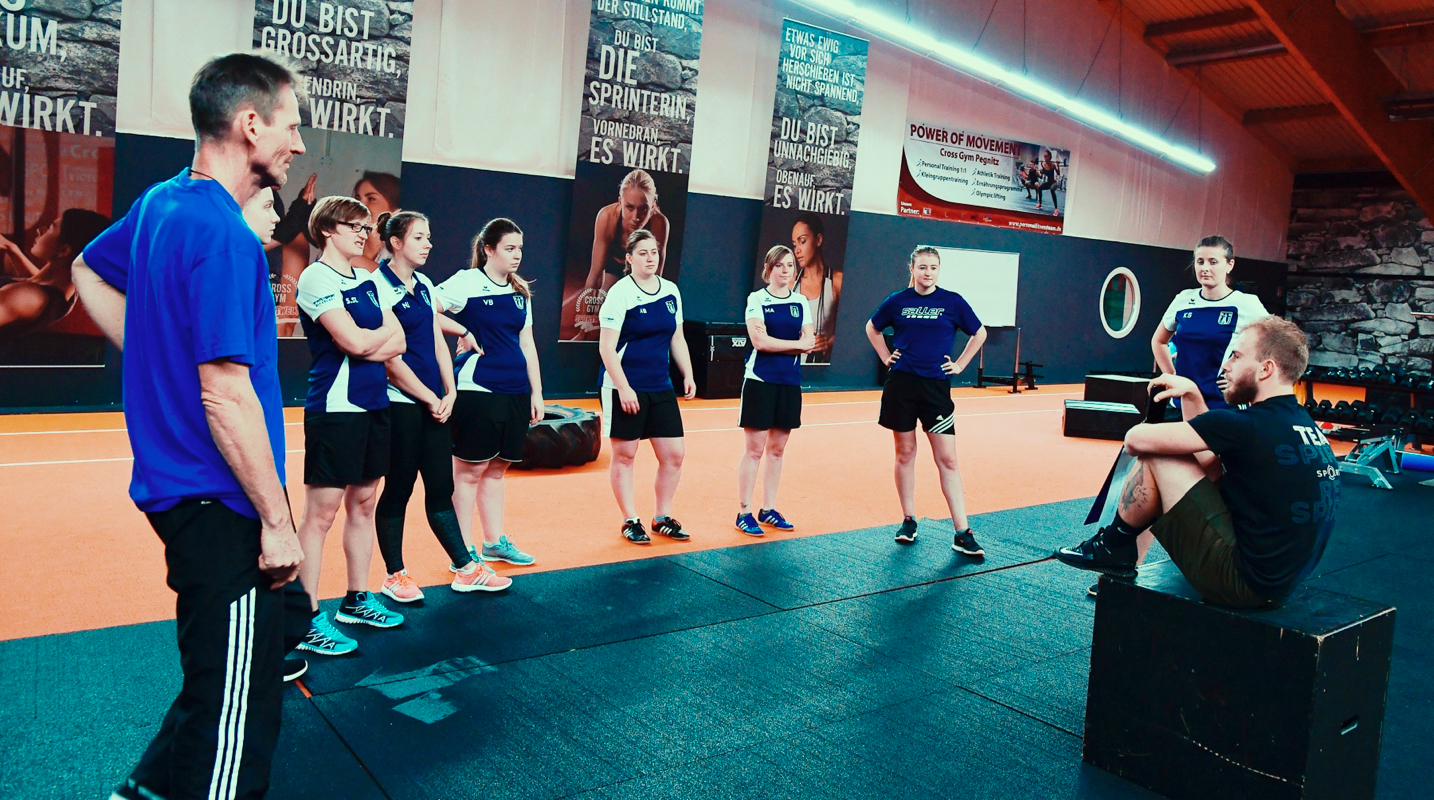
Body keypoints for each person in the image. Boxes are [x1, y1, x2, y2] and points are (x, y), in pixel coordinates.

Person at [73, 52, 305, 800]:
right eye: (290, 126)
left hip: (184, 495)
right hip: (224, 501)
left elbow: (85, 269)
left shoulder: (160, 204)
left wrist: (151, 351)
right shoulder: (225, 236)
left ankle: (142, 790)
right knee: (236, 720)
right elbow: (226, 397)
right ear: (249, 125)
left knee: (218, 680)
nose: (298, 144)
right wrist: (276, 521)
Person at [1054, 317, 1338, 608]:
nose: (1226, 365)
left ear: (1266, 369)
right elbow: (1211, 467)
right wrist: (1191, 392)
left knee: (1158, 454)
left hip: (1240, 584)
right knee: (1187, 457)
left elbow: (1135, 440)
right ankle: (1116, 547)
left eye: (1237, 356)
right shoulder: (1302, 424)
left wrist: (1153, 416)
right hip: (1277, 586)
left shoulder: (1246, 425)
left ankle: (1112, 546)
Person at [1085, 235, 1269, 600]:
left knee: (1221, 487)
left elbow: (1269, 352)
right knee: (1154, 481)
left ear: (1230, 265)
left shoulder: (1248, 306)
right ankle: (1124, 565)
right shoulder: (1183, 301)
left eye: (1214, 262)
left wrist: (1240, 381)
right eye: (1200, 261)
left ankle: (1224, 566)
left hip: (1223, 410)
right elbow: (1158, 341)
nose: (1205, 268)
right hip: (1182, 407)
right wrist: (1172, 378)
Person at [370, 211, 513, 599]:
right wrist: (430, 396)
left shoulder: (424, 285)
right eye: (419, 237)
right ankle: (394, 574)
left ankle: (465, 568)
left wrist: (450, 391)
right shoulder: (376, 288)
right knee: (398, 488)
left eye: (429, 236)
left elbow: (435, 337)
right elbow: (389, 360)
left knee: (440, 486)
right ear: (396, 242)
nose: (429, 243)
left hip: (435, 403)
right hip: (400, 403)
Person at [293, 195, 408, 657]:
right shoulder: (314, 278)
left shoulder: (365, 278)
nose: (364, 233)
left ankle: (357, 599)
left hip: (373, 404)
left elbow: (394, 339)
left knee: (364, 503)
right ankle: (304, 616)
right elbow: (354, 343)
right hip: (335, 407)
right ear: (327, 230)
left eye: (366, 227)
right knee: (320, 515)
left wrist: (369, 343)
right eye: (354, 226)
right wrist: (369, 343)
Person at [435, 218, 544, 569]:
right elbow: (420, 308)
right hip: (477, 388)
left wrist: (536, 392)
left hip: (515, 390)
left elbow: (526, 342)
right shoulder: (466, 282)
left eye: (520, 248)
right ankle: (462, 552)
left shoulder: (519, 291)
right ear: (488, 250)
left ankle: (494, 543)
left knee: (497, 469)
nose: (517, 255)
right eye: (510, 248)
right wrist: (461, 330)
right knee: (469, 472)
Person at [865, 246, 988, 555]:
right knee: (905, 453)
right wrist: (885, 357)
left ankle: (962, 531)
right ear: (912, 269)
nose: (928, 272)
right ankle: (908, 520)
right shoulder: (897, 301)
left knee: (948, 460)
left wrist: (959, 364)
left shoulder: (952, 302)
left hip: (935, 390)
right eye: (922, 267)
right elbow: (872, 327)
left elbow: (980, 333)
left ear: (938, 269)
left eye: (933, 267)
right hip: (901, 386)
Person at [598, 228, 697, 545]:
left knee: (674, 455)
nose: (650, 258)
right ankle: (629, 520)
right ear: (629, 258)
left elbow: (676, 337)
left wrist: (688, 373)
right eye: (642, 253)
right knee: (625, 455)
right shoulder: (620, 293)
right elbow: (606, 348)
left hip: (660, 386)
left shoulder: (670, 291)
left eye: (654, 252)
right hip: (625, 385)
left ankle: (662, 517)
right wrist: (624, 388)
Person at [735, 245, 814, 536]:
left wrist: (790, 343)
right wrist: (794, 345)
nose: (785, 270)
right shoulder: (757, 299)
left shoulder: (801, 301)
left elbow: (810, 337)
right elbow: (760, 342)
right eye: (779, 265)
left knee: (777, 451)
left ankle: (767, 509)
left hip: (789, 382)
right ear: (769, 269)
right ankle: (744, 511)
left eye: (790, 265)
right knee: (754, 451)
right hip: (760, 381)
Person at [573, 168, 669, 339]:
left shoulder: (659, 223)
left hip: (637, 272)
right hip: (612, 266)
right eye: (629, 207)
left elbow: (653, 278)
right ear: (620, 201)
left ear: (653, 205)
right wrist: (583, 331)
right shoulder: (607, 217)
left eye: (643, 209)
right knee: (603, 308)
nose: (636, 217)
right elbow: (595, 275)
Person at [0, 209, 112, 336]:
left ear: (63, 250)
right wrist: (12, 249)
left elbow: (26, 293)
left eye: (50, 228)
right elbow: (36, 280)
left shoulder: (28, 297)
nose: (40, 231)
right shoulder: (64, 292)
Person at [792, 212, 841, 364]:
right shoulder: (790, 286)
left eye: (803, 241)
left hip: (821, 369)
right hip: (791, 364)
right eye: (794, 244)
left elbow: (853, 328)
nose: (797, 250)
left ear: (818, 239)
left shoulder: (837, 281)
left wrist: (828, 343)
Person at [353, 170, 401, 270]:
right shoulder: (342, 244)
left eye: (371, 199)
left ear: (395, 209)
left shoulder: (403, 251)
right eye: (357, 199)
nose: (360, 205)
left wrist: (354, 260)